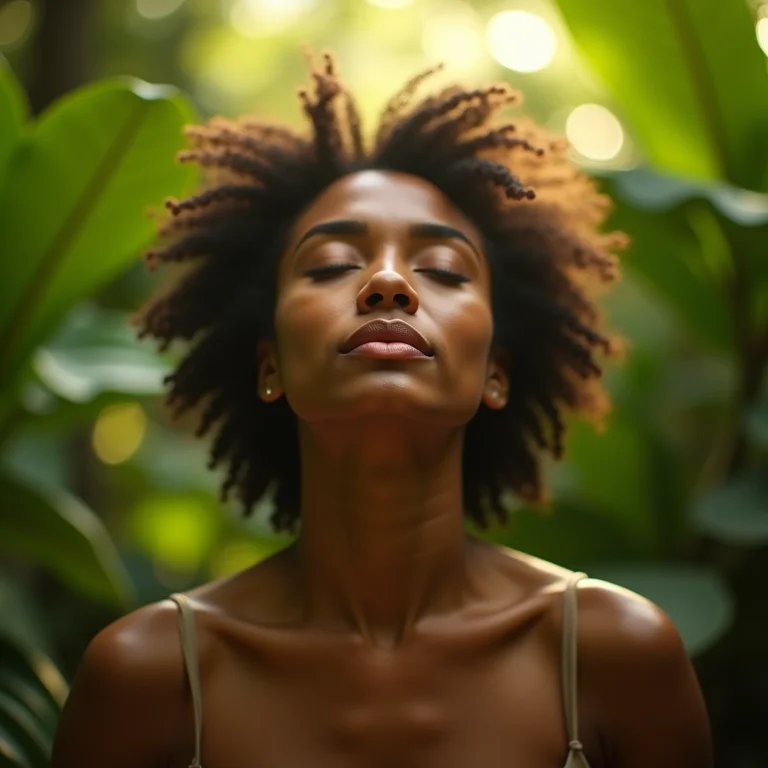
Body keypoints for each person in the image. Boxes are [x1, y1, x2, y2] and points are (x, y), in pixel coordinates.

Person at [51, 53, 712, 768]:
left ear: (496, 372)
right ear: (270, 366)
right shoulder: (149, 678)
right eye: (333, 263)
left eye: (444, 270)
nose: (389, 282)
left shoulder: (615, 657)